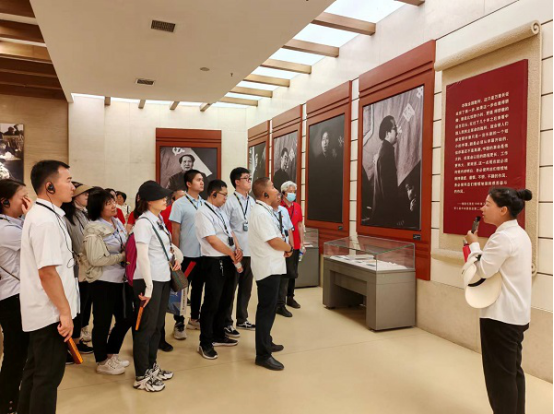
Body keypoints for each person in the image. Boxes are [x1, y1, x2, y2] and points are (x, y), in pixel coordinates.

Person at [465, 187, 533, 414]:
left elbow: (484, 269)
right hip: (516, 314)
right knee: (512, 372)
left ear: (503, 210)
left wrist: (473, 244)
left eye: (487, 204)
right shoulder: (520, 234)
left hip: (500, 316)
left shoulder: (502, 238)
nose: (482, 208)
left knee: (499, 378)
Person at [18, 160, 77, 414]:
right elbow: (48, 272)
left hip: (45, 310)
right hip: (50, 312)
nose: (73, 186)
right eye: (68, 181)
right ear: (50, 186)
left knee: (35, 372)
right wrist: (64, 312)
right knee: (47, 378)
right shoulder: (45, 221)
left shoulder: (45, 215)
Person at [131, 180, 179, 392]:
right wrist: (149, 287)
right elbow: (142, 257)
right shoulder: (143, 222)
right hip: (147, 281)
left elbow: (162, 249)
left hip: (162, 278)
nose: (165, 199)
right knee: (145, 328)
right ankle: (141, 375)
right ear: (149, 201)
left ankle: (151, 366)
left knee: (157, 326)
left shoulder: (157, 220)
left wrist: (173, 259)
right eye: (161, 196)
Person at [82, 189, 132, 375]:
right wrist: (122, 256)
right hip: (103, 281)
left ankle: (112, 354)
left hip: (121, 278)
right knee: (103, 321)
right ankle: (102, 360)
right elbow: (95, 259)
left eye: (113, 202)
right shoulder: (93, 228)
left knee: (126, 318)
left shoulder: (117, 222)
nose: (113, 206)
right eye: (108, 203)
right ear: (97, 207)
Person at [195, 179, 243, 360]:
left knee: (226, 299)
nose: (225, 199)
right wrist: (231, 253)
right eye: (223, 195)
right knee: (212, 302)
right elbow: (212, 239)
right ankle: (205, 342)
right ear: (213, 194)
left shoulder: (221, 211)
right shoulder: (203, 212)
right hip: (214, 261)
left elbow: (230, 233)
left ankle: (218, 334)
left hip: (228, 259)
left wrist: (238, 249)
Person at [249, 177, 293, 371]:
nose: (276, 190)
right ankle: (263, 354)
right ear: (265, 193)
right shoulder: (261, 213)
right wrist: (289, 248)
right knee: (266, 310)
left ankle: (266, 341)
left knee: (269, 308)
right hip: (267, 268)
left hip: (272, 265)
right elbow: (274, 241)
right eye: (273, 187)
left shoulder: (265, 210)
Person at [0, 178, 31, 414]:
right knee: (15, 353)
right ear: (5, 202)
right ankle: (7, 401)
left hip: (17, 295)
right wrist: (33, 217)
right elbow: (40, 242)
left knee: (19, 351)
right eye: (23, 197)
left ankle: (11, 397)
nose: (28, 201)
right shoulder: (6, 229)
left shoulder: (15, 223)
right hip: (12, 298)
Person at [170, 170, 205, 335]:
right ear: (189, 184)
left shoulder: (205, 203)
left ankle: (194, 319)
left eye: (202, 179)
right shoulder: (179, 204)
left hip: (203, 254)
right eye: (198, 180)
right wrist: (176, 255)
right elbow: (175, 230)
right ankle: (179, 322)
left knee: (198, 288)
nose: (202, 182)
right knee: (182, 289)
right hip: (186, 255)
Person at [61, 182, 94, 358]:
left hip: (87, 266)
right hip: (75, 267)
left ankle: (77, 340)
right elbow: (79, 242)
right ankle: (70, 345)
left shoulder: (84, 214)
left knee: (84, 305)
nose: (87, 196)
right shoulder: (68, 216)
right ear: (74, 197)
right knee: (76, 306)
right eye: (84, 194)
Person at [223, 167, 257, 337]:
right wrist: (234, 248)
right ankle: (226, 322)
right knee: (231, 288)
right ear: (237, 182)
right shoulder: (229, 202)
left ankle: (242, 319)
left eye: (250, 178)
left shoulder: (252, 201)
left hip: (251, 250)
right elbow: (226, 227)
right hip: (235, 253)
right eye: (246, 178)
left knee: (246, 287)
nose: (249, 181)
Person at [278, 181, 305, 315]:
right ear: (283, 193)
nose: (292, 194)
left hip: (296, 243)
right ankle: (280, 302)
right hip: (283, 243)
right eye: (290, 191)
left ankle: (290, 297)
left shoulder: (297, 207)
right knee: (284, 274)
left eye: (294, 191)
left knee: (293, 272)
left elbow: (299, 225)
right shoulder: (278, 207)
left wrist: (302, 243)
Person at [370, 116, 401, 227]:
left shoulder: (383, 150)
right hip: (385, 218)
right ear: (388, 133)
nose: (397, 132)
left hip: (382, 215)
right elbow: (387, 191)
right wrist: (396, 216)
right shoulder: (386, 153)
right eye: (395, 129)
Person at [309, 130, 343, 222]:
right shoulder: (317, 161)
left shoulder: (334, 161)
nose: (325, 142)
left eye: (327, 139)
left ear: (330, 141)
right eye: (323, 139)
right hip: (319, 205)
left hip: (331, 205)